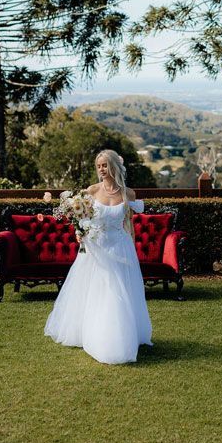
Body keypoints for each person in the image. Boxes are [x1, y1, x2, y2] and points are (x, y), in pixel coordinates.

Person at [44, 149, 152, 364]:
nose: (101, 169)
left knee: (119, 292)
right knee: (97, 291)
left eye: (105, 165)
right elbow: (81, 216)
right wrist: (79, 231)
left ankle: (120, 336)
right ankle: (94, 333)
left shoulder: (128, 194)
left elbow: (128, 223)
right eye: (99, 166)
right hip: (96, 247)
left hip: (120, 248)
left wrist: (132, 248)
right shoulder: (92, 190)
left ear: (114, 166)